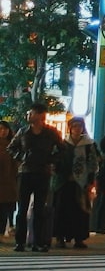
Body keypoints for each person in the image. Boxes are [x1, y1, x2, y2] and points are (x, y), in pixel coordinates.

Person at [7, 103, 63, 252]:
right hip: (25, 173)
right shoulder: (23, 132)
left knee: (39, 209)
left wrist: (52, 160)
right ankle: (20, 242)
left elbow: (62, 150)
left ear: (40, 116)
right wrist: (22, 156)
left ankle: (38, 242)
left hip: (43, 173)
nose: (28, 116)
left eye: (31, 113)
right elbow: (11, 148)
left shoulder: (51, 133)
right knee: (22, 209)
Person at [52, 117, 99, 249]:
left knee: (80, 211)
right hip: (63, 182)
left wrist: (90, 180)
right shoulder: (63, 143)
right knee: (61, 210)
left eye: (80, 126)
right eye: (75, 126)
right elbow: (56, 160)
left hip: (81, 183)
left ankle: (79, 238)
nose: (77, 129)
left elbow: (93, 163)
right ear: (70, 128)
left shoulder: (89, 144)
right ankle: (60, 237)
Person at [0, 121, 17, 241]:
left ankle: (2, 232)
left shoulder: (12, 145)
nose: (3, 131)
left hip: (9, 182)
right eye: (0, 129)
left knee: (5, 209)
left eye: (5, 129)